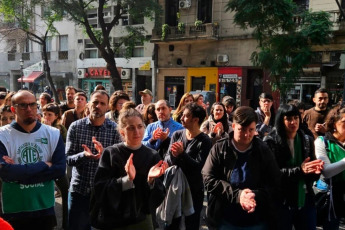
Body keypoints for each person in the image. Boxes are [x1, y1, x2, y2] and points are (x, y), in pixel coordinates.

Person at [202, 106, 281, 229]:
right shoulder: (220, 148)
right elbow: (207, 179)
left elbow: (274, 181)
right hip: (224, 219)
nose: (247, 134)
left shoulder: (263, 149)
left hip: (257, 220)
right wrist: (238, 195)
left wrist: (254, 195)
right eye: (242, 129)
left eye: (251, 130)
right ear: (233, 126)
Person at [90, 108, 168, 229]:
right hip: (113, 220)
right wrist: (126, 180)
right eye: (131, 128)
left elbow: (158, 196)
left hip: (141, 219)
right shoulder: (111, 153)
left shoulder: (152, 155)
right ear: (122, 132)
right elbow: (99, 188)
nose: (137, 132)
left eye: (140, 126)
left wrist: (151, 181)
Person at [0, 90, 65, 229]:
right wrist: (43, 165)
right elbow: (6, 173)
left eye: (32, 105)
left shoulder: (53, 133)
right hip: (14, 209)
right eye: (23, 105)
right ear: (13, 109)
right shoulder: (2, 135)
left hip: (44, 208)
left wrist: (19, 175)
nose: (29, 109)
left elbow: (59, 170)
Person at [66, 90, 121, 230]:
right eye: (95, 102)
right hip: (79, 190)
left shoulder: (114, 129)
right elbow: (68, 158)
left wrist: (104, 155)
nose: (98, 106)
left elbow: (118, 163)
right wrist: (83, 155)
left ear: (108, 106)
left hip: (103, 193)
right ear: (89, 104)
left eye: (102, 103)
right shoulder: (76, 127)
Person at [264, 104, 323, 230]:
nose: (293, 122)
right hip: (282, 201)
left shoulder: (306, 139)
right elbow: (271, 175)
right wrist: (300, 170)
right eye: (289, 119)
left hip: (305, 197)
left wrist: (316, 171)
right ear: (281, 119)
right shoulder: (271, 142)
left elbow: (310, 169)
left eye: (296, 118)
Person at [164, 102, 212, 230]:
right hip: (174, 187)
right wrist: (174, 155)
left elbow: (199, 167)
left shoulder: (205, 141)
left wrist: (182, 154)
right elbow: (167, 158)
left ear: (195, 120)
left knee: (191, 222)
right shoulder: (177, 135)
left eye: (185, 116)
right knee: (172, 222)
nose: (181, 118)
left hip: (193, 189)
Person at [315, 106, 345, 229]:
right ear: (334, 123)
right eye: (344, 122)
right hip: (332, 197)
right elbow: (326, 171)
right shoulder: (322, 142)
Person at [41, 102, 69, 230]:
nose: (46, 117)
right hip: (43, 166)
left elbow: (64, 146)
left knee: (65, 190)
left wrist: (53, 133)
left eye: (50, 115)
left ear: (57, 116)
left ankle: (66, 223)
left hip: (57, 166)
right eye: (45, 114)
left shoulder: (60, 128)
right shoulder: (39, 127)